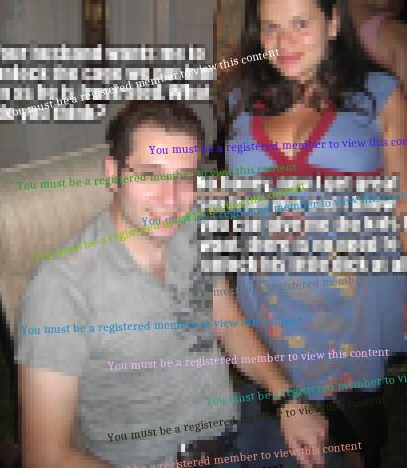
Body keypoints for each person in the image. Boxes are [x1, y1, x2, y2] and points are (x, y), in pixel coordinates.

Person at [216, 0, 407, 467]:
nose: (284, 41)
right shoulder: (240, 101)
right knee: (284, 421)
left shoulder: (379, 95)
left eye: (300, 23)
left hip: (356, 298)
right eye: (271, 26)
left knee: (357, 427)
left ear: (333, 23)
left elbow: (406, 195)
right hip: (271, 295)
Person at [16, 101, 244, 467]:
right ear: (113, 174)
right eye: (151, 175)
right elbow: (45, 457)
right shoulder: (60, 289)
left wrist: (286, 398)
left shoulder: (193, 229)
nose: (171, 199)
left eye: (185, 177)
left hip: (234, 436)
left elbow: (229, 324)